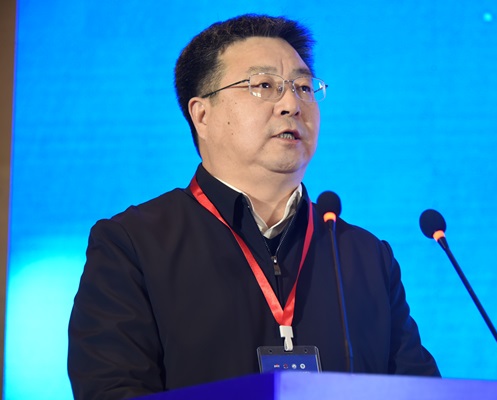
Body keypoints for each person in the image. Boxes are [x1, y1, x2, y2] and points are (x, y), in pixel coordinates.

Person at [68, 13, 440, 400]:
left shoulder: (364, 256)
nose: (291, 104)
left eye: (303, 87)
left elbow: (420, 392)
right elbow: (112, 389)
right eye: (264, 85)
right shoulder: (134, 245)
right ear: (202, 115)